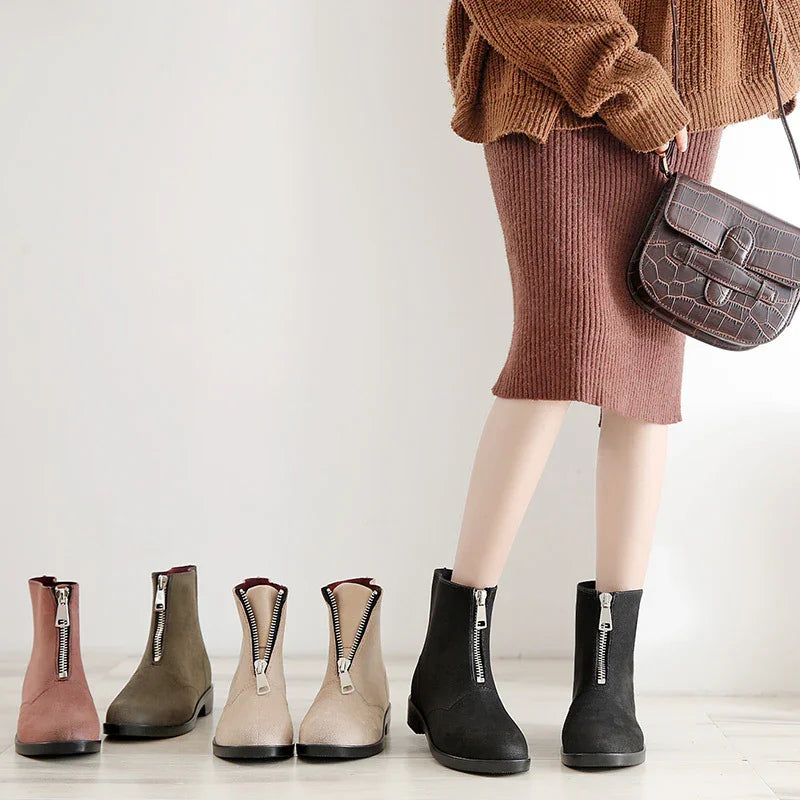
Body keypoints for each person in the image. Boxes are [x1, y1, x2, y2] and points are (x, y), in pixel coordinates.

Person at [407, 0, 800, 776]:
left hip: (686, 89)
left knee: (647, 378)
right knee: (552, 362)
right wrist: (626, 80)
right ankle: (455, 660)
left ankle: (607, 682)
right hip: (554, 80)